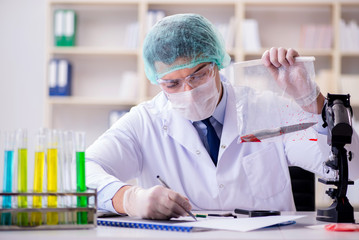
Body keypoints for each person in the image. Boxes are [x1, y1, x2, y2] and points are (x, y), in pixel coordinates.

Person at [85, 14, 359, 220]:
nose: (188, 90)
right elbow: (83, 172)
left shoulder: (268, 108)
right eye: (172, 84)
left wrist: (314, 102)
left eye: (199, 74)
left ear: (217, 64)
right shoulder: (143, 122)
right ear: (157, 81)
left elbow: (352, 168)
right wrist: (128, 198)